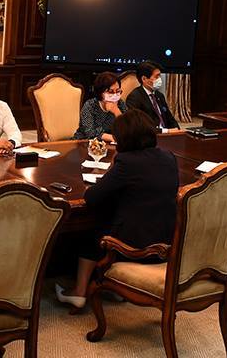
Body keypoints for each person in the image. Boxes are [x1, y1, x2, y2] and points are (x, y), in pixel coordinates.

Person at [56, 110, 179, 309]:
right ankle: (115, 286)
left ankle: (79, 292)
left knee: (92, 233)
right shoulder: (168, 157)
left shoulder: (127, 162)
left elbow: (92, 197)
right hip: (166, 238)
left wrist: (114, 166)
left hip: (134, 243)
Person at [75, 72, 127, 142]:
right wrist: (110, 137)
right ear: (100, 92)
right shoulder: (90, 105)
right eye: (110, 92)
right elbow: (89, 132)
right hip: (84, 142)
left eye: (118, 91)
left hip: (112, 143)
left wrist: (117, 112)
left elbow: (129, 128)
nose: (115, 95)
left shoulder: (120, 103)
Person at [124, 61, 177, 131]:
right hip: (151, 135)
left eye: (159, 76)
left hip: (167, 134)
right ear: (144, 79)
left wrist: (178, 130)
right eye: (156, 76)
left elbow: (170, 118)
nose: (159, 79)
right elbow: (138, 126)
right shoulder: (134, 98)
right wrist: (166, 131)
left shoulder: (159, 95)